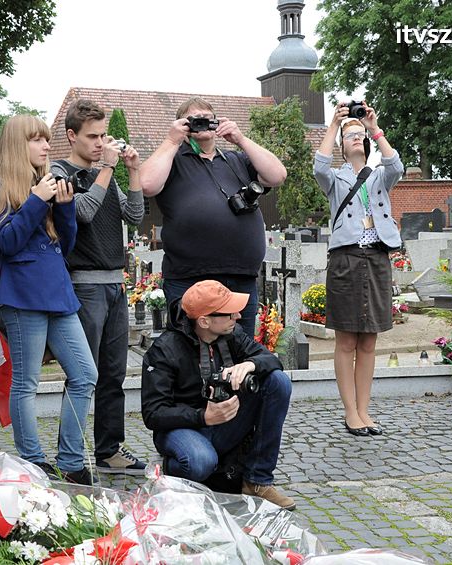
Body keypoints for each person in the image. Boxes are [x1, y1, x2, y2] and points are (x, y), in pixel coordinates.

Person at [0, 114, 98, 485]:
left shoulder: (41, 182)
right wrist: (35, 201)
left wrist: (62, 207)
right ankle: (32, 460)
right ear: (18, 143)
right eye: (38, 140)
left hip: (58, 293)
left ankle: (71, 460)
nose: (47, 146)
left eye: (46, 140)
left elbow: (67, 244)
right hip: (23, 297)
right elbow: (8, 244)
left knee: (85, 375)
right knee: (26, 382)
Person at [50, 99, 146, 476]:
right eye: (92, 136)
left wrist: (133, 171)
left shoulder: (104, 172)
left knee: (113, 374)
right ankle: (69, 456)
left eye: (104, 135)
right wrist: (107, 166)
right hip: (84, 285)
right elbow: (83, 212)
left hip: (115, 285)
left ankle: (109, 448)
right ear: (72, 135)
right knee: (82, 375)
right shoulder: (61, 172)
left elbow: (135, 216)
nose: (100, 142)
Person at [141, 280, 295, 509]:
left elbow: (272, 361)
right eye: (229, 313)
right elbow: (153, 414)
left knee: (277, 382)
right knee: (200, 461)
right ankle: (173, 472)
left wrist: (251, 364)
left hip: (223, 420)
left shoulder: (232, 334)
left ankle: (257, 480)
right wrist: (203, 416)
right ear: (204, 321)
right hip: (183, 428)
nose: (238, 316)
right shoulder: (164, 350)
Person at [139, 97, 287, 336]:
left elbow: (278, 175)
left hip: (240, 279)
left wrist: (240, 139)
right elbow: (146, 185)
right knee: (189, 354)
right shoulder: (173, 160)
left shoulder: (236, 160)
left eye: (208, 118)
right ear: (183, 124)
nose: (202, 123)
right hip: (190, 280)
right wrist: (171, 140)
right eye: (194, 119)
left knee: (240, 353)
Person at [313, 101, 404, 437]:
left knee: (369, 341)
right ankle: (350, 412)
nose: (355, 138)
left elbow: (396, 163)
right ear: (341, 143)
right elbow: (318, 166)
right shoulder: (335, 179)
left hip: (377, 258)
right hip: (346, 260)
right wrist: (334, 125)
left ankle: (365, 411)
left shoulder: (380, 176)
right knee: (347, 340)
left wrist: (374, 126)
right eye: (349, 135)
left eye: (359, 134)